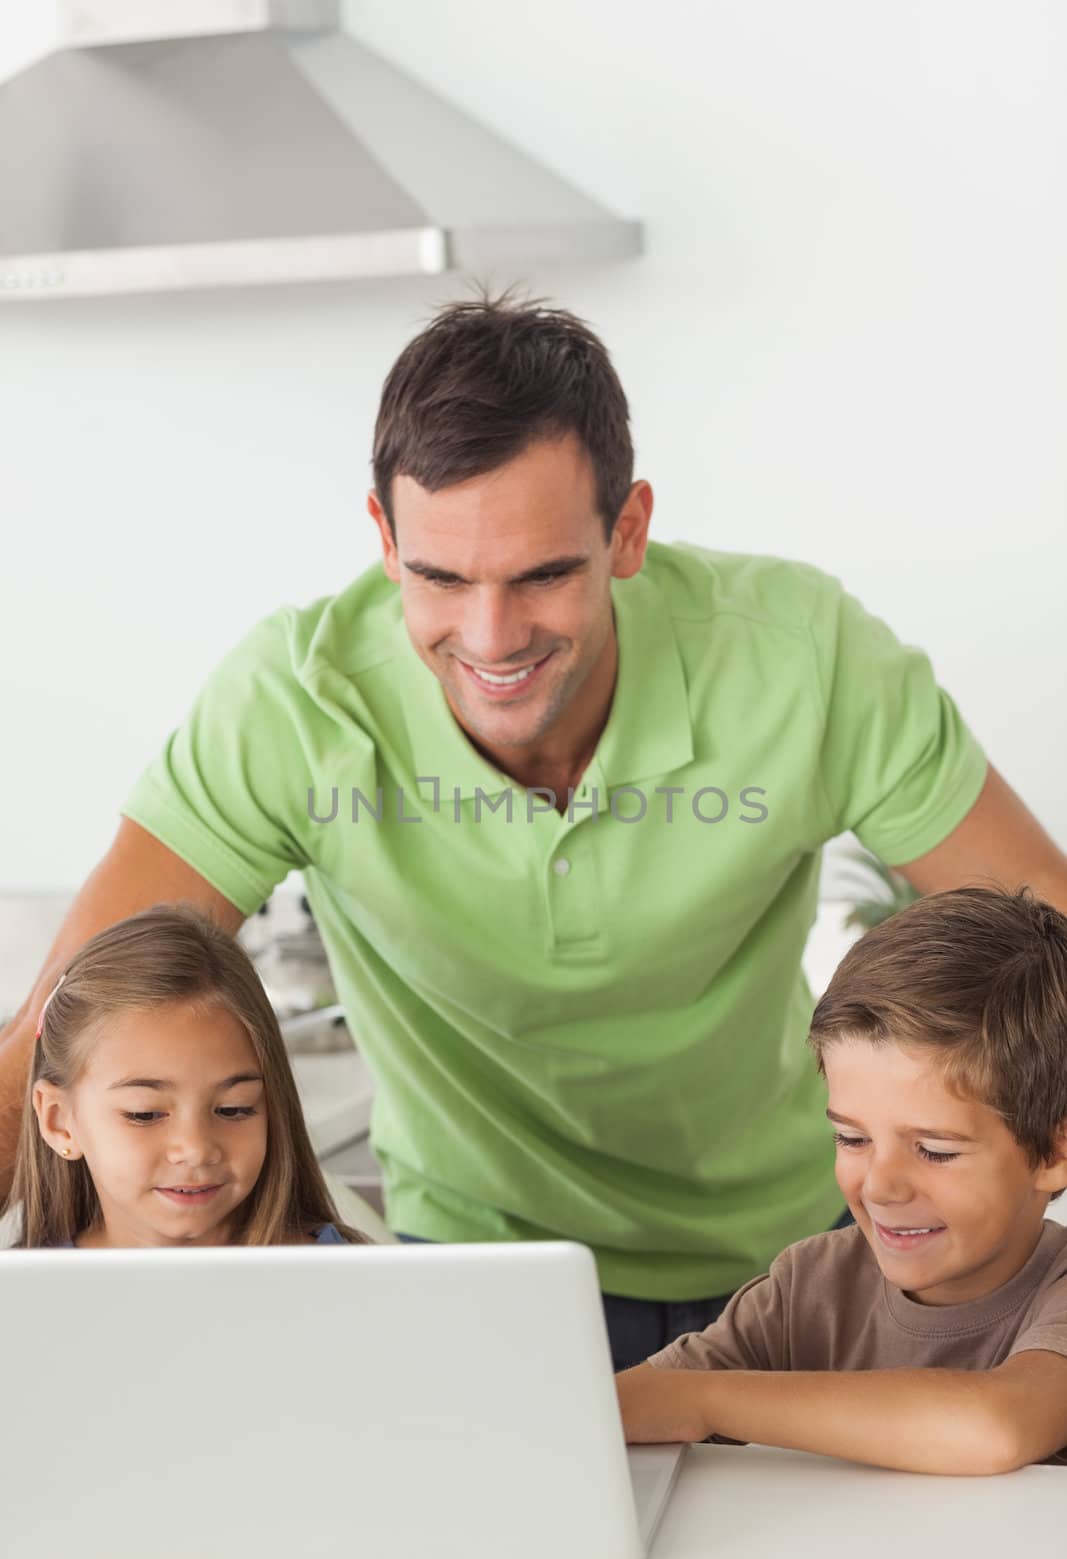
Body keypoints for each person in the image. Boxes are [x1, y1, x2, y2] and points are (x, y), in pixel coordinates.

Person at [2, 292, 1066, 1361]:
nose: (490, 636)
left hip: (797, 1253)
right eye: (440, 577)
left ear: (627, 530)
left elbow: (1046, 934)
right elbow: (59, 1027)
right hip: (482, 1264)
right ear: (383, 538)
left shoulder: (803, 657)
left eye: (544, 575)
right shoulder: (291, 704)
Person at [617, 885, 1067, 1473]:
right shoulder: (805, 1288)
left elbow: (996, 1428)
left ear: (1054, 1152)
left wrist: (701, 1399)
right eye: (853, 1139)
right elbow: (621, 1410)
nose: (881, 1187)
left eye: (933, 1150)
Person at [2, 904, 368, 1248]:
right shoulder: (21, 1300)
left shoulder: (355, 1285)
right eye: (144, 1114)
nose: (195, 1149)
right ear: (58, 1121)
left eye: (233, 1109)